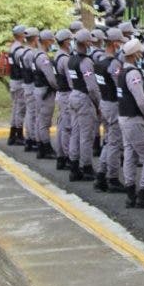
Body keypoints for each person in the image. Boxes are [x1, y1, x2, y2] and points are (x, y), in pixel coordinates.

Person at [118, 38, 144, 210]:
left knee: (130, 155)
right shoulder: (133, 73)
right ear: (135, 54)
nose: (142, 54)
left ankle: (130, 191)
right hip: (134, 119)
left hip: (124, 117)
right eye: (140, 51)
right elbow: (141, 100)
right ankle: (143, 193)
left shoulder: (122, 71)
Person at [93, 28, 125, 193]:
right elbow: (119, 86)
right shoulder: (114, 64)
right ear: (114, 44)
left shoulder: (98, 62)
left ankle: (100, 175)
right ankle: (112, 178)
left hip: (104, 103)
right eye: (120, 42)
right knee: (114, 143)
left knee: (108, 141)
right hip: (113, 105)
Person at [67, 29, 101, 182]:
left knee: (75, 132)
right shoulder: (86, 62)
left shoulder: (71, 59)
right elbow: (92, 87)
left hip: (74, 95)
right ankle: (86, 167)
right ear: (86, 43)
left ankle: (74, 166)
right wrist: (98, 103)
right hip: (84, 98)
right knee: (86, 135)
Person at [31, 30, 58, 159]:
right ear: (47, 41)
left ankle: (41, 147)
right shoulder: (43, 57)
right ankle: (46, 148)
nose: (53, 43)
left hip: (39, 90)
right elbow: (51, 79)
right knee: (44, 121)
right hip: (44, 92)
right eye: (52, 40)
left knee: (40, 120)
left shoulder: (36, 54)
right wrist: (59, 88)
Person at [52, 29, 74, 170]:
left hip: (61, 94)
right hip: (66, 94)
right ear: (66, 41)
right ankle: (66, 157)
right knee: (67, 128)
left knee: (61, 127)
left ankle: (61, 155)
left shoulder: (57, 56)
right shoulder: (65, 59)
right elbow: (71, 81)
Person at [7, 25, 28, 146]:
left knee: (15, 109)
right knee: (20, 109)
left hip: (13, 81)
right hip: (19, 82)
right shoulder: (19, 50)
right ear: (20, 35)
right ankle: (19, 135)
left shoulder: (13, 48)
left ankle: (12, 135)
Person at [20, 28, 39, 151]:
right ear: (35, 38)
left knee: (30, 113)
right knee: (33, 113)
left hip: (26, 84)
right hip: (31, 85)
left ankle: (29, 138)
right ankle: (31, 139)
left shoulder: (22, 52)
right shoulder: (31, 53)